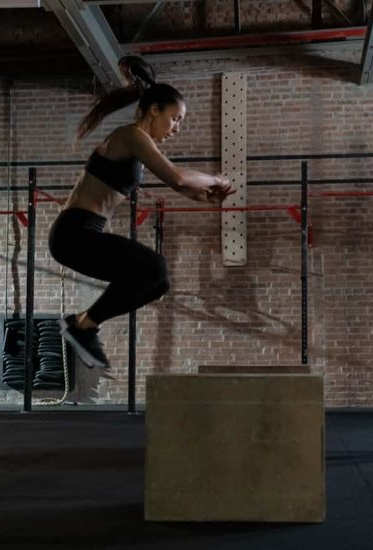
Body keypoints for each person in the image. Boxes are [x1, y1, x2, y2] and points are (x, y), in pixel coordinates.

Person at [49, 56, 235, 368]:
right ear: (154, 109)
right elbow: (175, 176)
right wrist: (216, 179)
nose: (176, 128)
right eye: (175, 118)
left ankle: (82, 323)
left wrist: (203, 196)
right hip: (74, 233)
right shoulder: (131, 136)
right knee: (155, 267)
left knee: (157, 281)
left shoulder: (137, 144)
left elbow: (179, 185)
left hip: (82, 234)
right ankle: (80, 326)